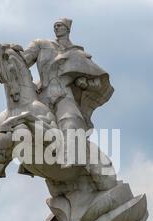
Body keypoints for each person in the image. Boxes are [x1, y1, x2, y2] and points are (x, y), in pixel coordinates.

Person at [20, 18, 114, 166]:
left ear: (67, 29)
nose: (56, 28)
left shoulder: (78, 54)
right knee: (22, 120)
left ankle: (69, 157)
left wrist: (85, 83)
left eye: (60, 25)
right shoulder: (41, 44)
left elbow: (97, 82)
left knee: (70, 121)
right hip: (41, 94)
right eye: (55, 26)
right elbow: (21, 62)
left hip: (63, 95)